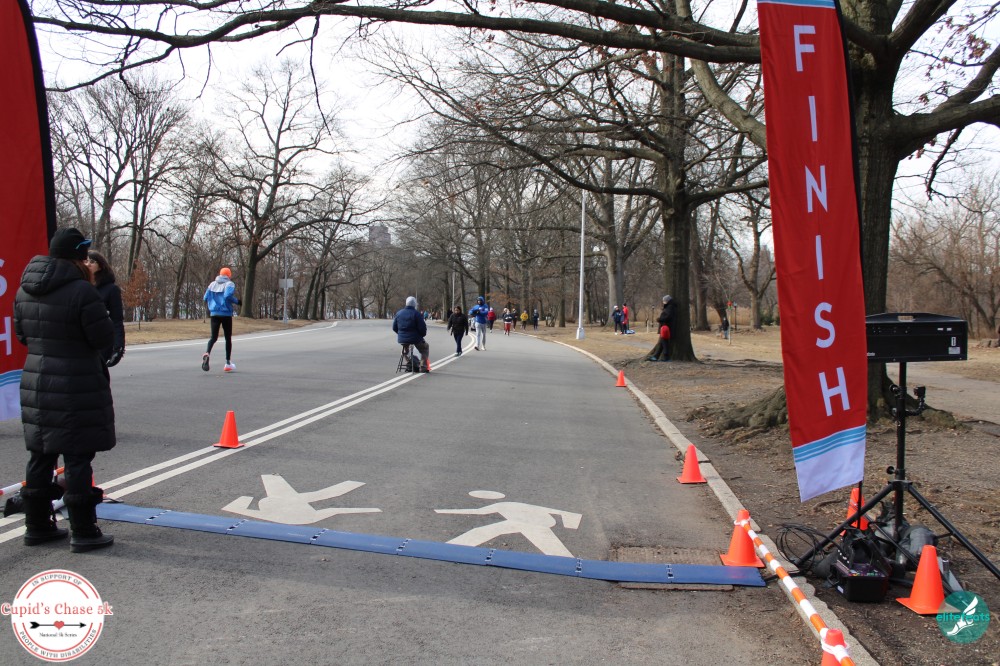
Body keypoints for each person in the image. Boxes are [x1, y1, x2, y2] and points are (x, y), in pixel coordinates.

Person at [13, 227, 116, 552]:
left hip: (36, 380)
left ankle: (37, 525)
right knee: (77, 456)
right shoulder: (82, 292)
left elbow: (22, 335)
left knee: (41, 454)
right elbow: (103, 338)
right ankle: (83, 529)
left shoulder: (24, 290)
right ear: (79, 257)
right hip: (75, 382)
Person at [86, 250, 125, 367]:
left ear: (100, 266)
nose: (88, 264)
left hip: (101, 342)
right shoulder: (81, 287)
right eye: (86, 261)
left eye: (92, 262)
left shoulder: (111, 290)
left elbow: (117, 320)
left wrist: (118, 347)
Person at [202, 267, 241, 372]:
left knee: (213, 337)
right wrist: (237, 301)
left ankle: (207, 353)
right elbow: (227, 295)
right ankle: (228, 363)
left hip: (214, 314)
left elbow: (205, 298)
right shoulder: (229, 284)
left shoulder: (212, 284)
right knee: (228, 338)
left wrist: (213, 303)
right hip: (226, 314)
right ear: (229, 275)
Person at [394, 296, 430, 371]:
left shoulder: (399, 313)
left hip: (402, 339)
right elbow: (422, 328)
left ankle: (409, 363)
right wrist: (421, 336)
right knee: (425, 348)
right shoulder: (417, 314)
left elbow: (394, 327)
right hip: (415, 339)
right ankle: (423, 367)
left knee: (405, 349)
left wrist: (401, 334)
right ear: (414, 304)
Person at [649, 295, 677, 361]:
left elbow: (667, 317)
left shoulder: (670, 307)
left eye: (664, 301)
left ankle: (665, 357)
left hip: (666, 327)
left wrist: (660, 319)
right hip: (666, 327)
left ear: (667, 301)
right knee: (662, 342)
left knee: (664, 342)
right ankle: (656, 356)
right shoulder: (670, 307)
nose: (663, 302)